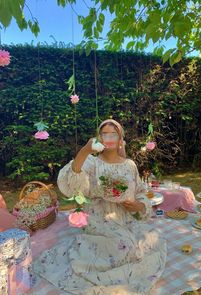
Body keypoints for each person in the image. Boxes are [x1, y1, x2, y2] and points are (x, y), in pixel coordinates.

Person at [33, 119, 167, 295]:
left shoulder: (129, 165)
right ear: (99, 138)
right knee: (122, 246)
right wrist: (85, 150)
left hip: (123, 218)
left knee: (148, 241)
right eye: (105, 134)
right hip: (98, 218)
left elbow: (141, 191)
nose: (109, 138)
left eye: (114, 134)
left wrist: (137, 205)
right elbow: (73, 183)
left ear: (121, 139)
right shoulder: (91, 162)